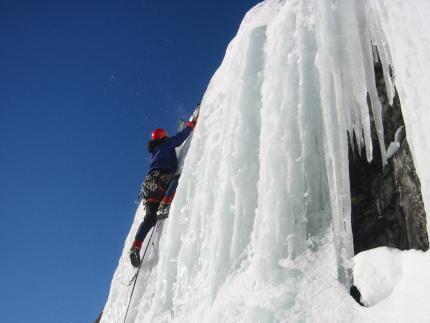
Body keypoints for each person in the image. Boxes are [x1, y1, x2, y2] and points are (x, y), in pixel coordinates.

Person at [129, 117, 197, 268]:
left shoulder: (153, 152)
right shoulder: (166, 144)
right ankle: (165, 204)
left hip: (149, 186)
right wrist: (191, 126)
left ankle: (136, 246)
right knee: (177, 179)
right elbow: (179, 139)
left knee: (150, 218)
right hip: (162, 179)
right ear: (163, 137)